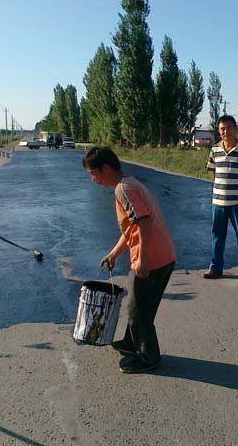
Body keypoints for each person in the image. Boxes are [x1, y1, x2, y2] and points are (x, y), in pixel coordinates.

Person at [83, 146, 175, 374]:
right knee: (138, 305)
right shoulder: (128, 183)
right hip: (159, 257)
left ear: (105, 168)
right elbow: (131, 229)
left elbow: (144, 223)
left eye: (93, 174)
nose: (93, 180)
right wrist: (114, 254)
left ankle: (148, 356)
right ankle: (131, 342)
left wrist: (142, 259)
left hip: (153, 260)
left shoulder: (123, 189)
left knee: (139, 311)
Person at [203, 115, 238, 282]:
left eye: (228, 128)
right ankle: (215, 268)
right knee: (217, 235)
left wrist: (235, 186)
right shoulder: (214, 150)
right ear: (219, 131)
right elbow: (212, 171)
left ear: (236, 129)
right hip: (218, 202)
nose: (225, 131)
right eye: (222, 129)